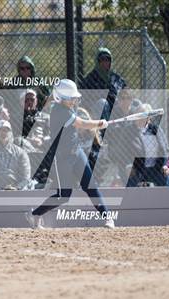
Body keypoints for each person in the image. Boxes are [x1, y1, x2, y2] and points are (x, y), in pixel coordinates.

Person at [25, 79, 115, 229]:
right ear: (61, 98)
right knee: (64, 195)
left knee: (91, 186)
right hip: (62, 158)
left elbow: (79, 125)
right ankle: (34, 214)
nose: (74, 100)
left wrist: (98, 124)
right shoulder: (59, 111)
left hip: (76, 152)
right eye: (71, 98)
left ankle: (108, 218)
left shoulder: (67, 107)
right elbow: (82, 124)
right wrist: (100, 123)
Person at [126, 103, 169, 187]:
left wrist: (165, 165)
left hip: (156, 168)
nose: (139, 117)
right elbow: (122, 149)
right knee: (131, 178)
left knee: (166, 177)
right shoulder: (129, 131)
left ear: (149, 117)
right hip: (137, 168)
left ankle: (167, 199)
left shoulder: (155, 129)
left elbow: (165, 149)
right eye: (138, 114)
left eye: (142, 114)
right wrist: (128, 165)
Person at [80, 47, 127, 118]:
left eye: (108, 59)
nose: (105, 62)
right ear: (97, 61)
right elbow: (86, 100)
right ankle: (103, 128)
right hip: (100, 111)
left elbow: (125, 91)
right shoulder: (90, 79)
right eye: (102, 60)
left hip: (117, 107)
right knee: (103, 103)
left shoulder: (116, 78)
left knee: (136, 103)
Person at [0, 120, 32, 190]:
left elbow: (26, 177)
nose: (3, 132)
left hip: (17, 191)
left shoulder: (21, 153)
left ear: (11, 133)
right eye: (1, 130)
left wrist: (16, 188)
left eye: (6, 130)